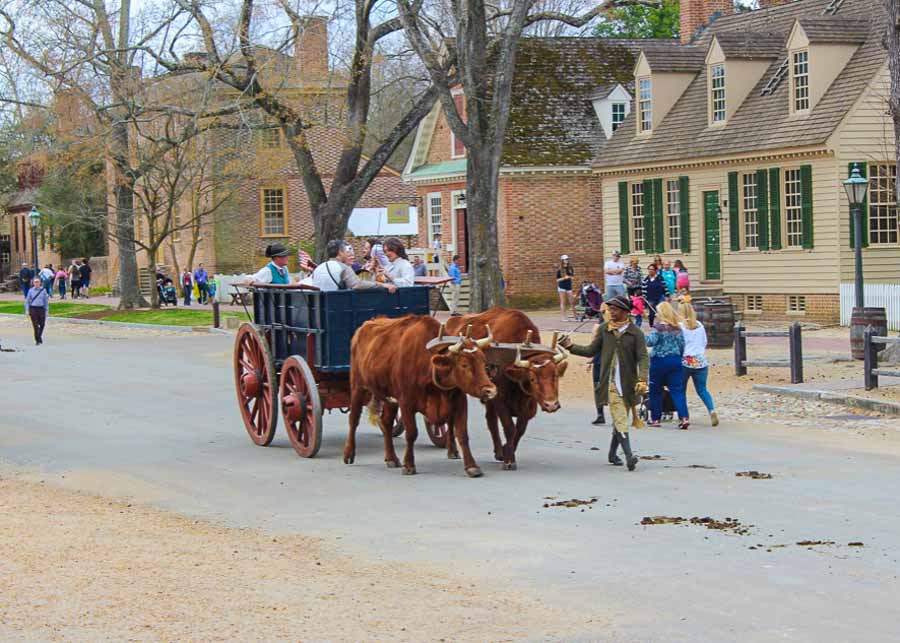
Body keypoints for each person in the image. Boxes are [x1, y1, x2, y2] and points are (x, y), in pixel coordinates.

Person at [561, 295, 648, 471]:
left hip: (628, 382)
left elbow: (643, 357)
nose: (611, 312)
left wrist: (643, 378)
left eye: (614, 309)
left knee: (620, 418)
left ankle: (612, 454)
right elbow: (590, 350)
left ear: (624, 311)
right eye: (610, 309)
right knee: (620, 416)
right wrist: (570, 346)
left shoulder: (636, 332)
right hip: (610, 383)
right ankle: (630, 456)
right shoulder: (604, 329)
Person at [645, 301, 690, 430]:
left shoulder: (659, 328)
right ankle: (684, 417)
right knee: (677, 390)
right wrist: (678, 357)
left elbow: (650, 342)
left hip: (659, 361)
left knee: (656, 390)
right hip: (675, 361)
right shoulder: (677, 328)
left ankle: (656, 418)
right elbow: (682, 345)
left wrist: (641, 336)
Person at [679, 302, 718, 427]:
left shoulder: (680, 326)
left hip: (685, 360)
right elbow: (704, 341)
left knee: (681, 390)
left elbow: (679, 344)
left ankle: (684, 415)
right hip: (700, 360)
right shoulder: (699, 325)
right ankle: (711, 410)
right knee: (702, 389)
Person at [309, 240, 397, 293]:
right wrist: (383, 285)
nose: (349, 254)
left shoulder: (319, 268)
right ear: (340, 252)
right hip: (337, 306)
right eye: (346, 252)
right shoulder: (342, 267)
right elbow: (357, 284)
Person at [590, 302, 612, 426]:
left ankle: (600, 414)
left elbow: (593, 345)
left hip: (599, 360)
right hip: (612, 360)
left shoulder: (598, 327)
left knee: (598, 387)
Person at [24, 277, 49, 345]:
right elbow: (27, 301)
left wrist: (47, 310)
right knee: (35, 325)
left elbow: (46, 301)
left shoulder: (43, 290)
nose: (36, 283)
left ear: (40, 282)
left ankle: (39, 336)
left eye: (38, 282)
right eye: (35, 282)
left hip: (41, 309)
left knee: (42, 324)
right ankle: (37, 340)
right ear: (33, 283)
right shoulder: (30, 291)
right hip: (33, 309)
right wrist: (26, 310)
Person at [556, 255, 576, 320]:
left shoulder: (570, 268)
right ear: (562, 260)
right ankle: (564, 317)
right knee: (563, 302)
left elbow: (573, 277)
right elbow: (557, 280)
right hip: (562, 287)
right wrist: (564, 278)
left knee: (572, 302)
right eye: (565, 259)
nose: (566, 260)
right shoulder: (559, 269)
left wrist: (570, 277)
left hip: (569, 287)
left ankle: (575, 316)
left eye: (567, 259)